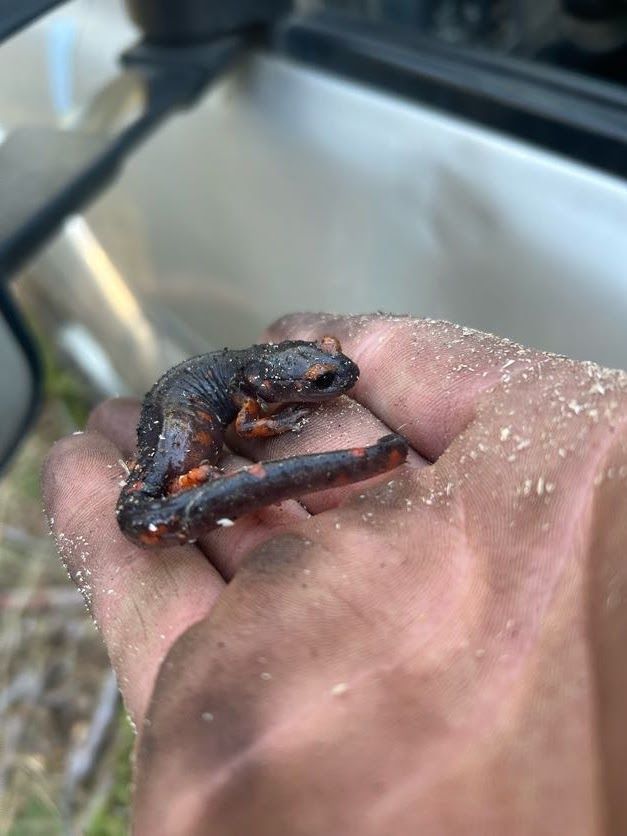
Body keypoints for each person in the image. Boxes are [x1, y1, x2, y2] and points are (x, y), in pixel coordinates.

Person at [42, 313, 627, 835]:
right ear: (265, 386)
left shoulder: (259, 375)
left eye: (330, 364)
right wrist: (269, 428)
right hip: (161, 471)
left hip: (177, 436)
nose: (341, 377)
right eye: (322, 380)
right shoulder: (250, 395)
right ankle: (192, 486)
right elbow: (248, 428)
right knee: (171, 486)